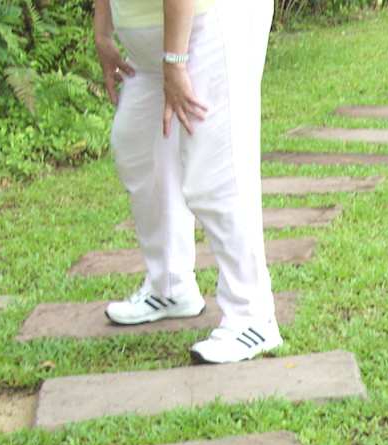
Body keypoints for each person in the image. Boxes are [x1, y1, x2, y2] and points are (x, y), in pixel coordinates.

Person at [93, 0, 282, 364]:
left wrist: (175, 61)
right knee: (139, 150)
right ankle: (170, 286)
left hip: (214, 20)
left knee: (217, 169)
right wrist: (103, 33)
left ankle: (252, 316)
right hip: (155, 40)